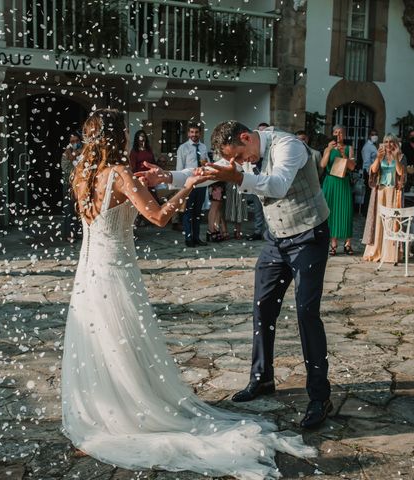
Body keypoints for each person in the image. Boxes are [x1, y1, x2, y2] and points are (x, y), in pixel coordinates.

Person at [61, 109, 315, 479]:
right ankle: (132, 412)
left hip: (88, 272)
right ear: (118, 137)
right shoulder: (119, 173)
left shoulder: (82, 175)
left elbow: (120, 204)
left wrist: (168, 178)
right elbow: (160, 217)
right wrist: (180, 189)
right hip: (116, 270)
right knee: (125, 340)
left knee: (100, 343)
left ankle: (100, 414)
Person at [137, 121, 334, 430]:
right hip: (276, 240)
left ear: (246, 138)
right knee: (262, 307)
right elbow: (204, 173)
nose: (240, 162)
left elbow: (279, 184)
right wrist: (168, 177)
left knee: (307, 313)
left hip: (309, 236)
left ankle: (320, 397)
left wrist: (238, 175)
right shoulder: (241, 153)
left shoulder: (288, 147)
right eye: (236, 160)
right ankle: (262, 378)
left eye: (240, 156)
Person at [362, 134, 406, 263]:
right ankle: (376, 249)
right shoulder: (380, 156)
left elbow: (400, 173)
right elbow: (374, 170)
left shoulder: (401, 156)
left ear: (395, 143)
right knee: (379, 220)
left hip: (393, 191)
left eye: (391, 142)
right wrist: (378, 158)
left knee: (392, 221)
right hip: (381, 190)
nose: (388, 144)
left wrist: (396, 158)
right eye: (386, 141)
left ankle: (391, 253)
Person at [320, 125, 356, 255]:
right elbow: (323, 165)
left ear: (345, 135)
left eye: (341, 133)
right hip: (330, 182)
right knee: (331, 211)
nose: (338, 135)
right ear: (332, 134)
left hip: (343, 181)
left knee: (346, 211)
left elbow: (352, 167)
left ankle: (348, 244)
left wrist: (343, 154)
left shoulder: (349, 148)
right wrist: (329, 150)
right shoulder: (327, 148)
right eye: (336, 132)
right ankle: (333, 243)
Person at [176, 123, 209, 247]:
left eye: (196, 132)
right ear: (188, 133)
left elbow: (206, 163)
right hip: (189, 183)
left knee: (197, 212)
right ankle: (188, 238)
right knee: (188, 212)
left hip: (201, 182)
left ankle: (196, 237)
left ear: (200, 133)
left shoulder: (203, 147)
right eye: (192, 132)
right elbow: (180, 168)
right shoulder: (183, 148)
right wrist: (181, 186)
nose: (194, 135)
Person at [61, 132, 83, 241]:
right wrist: (73, 157)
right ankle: (69, 234)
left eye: (77, 141)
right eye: (72, 141)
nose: (75, 143)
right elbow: (66, 169)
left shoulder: (84, 152)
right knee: (69, 209)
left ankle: (79, 232)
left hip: (82, 185)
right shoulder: (66, 154)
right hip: (69, 184)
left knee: (80, 209)